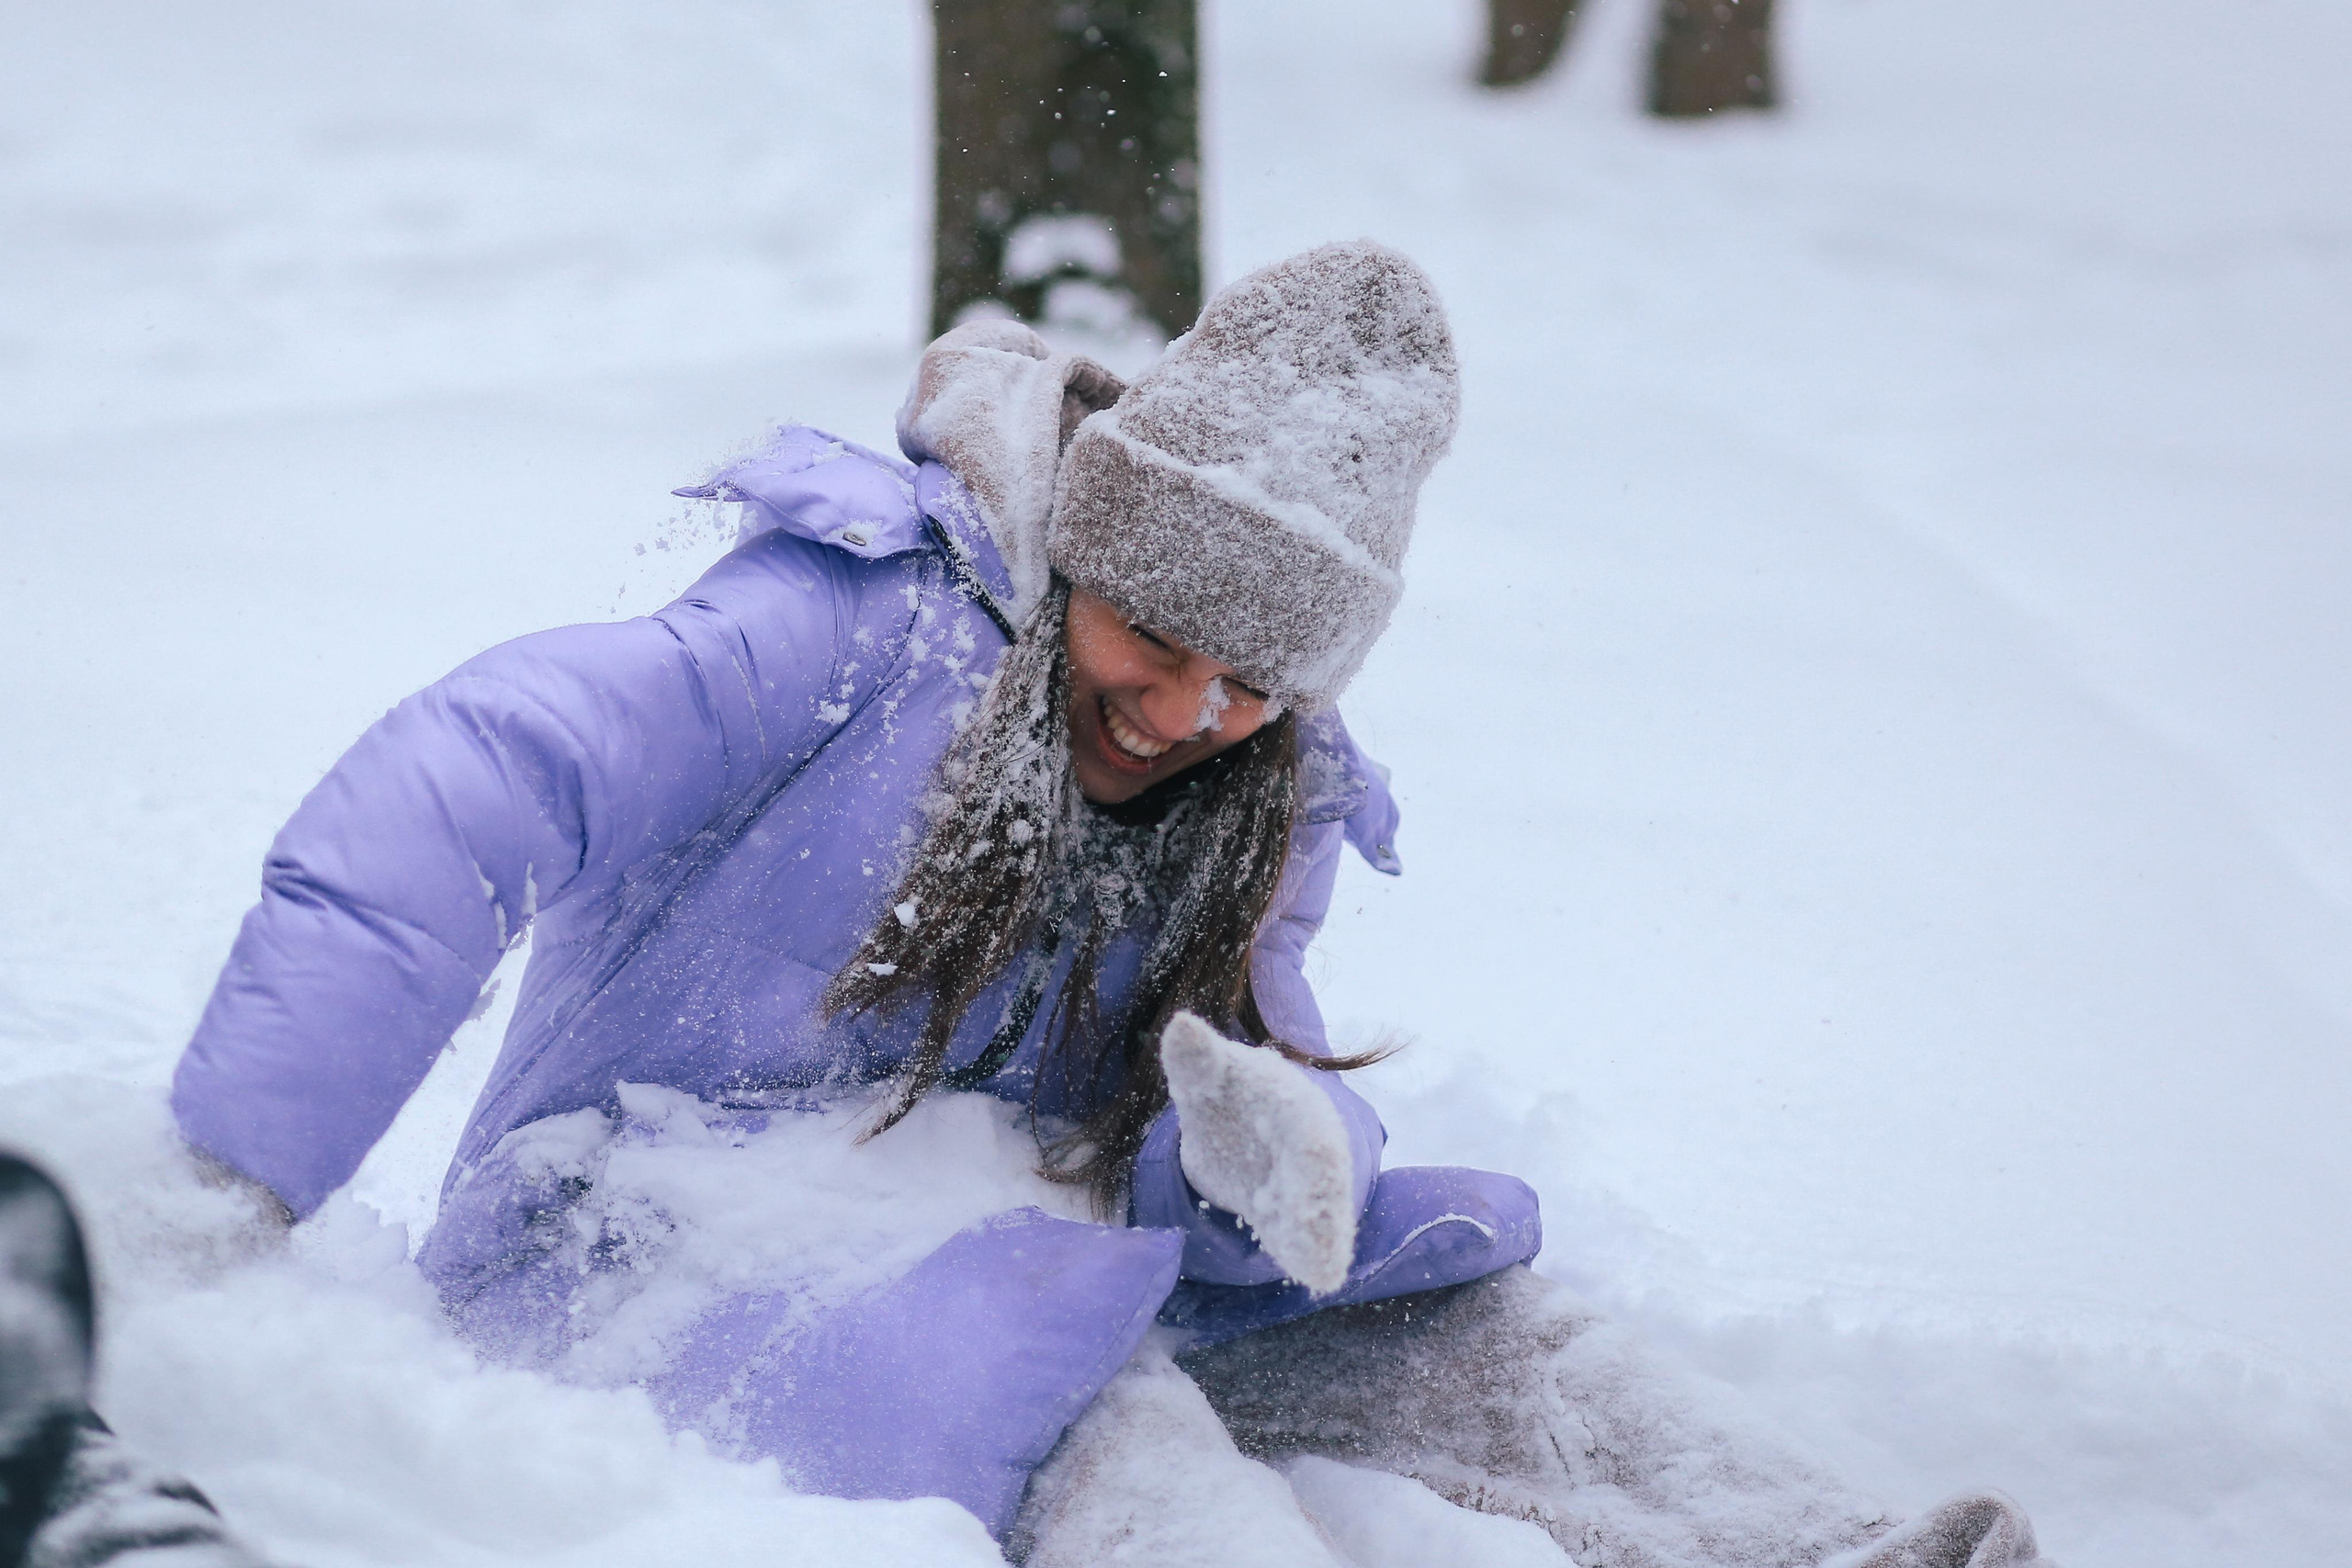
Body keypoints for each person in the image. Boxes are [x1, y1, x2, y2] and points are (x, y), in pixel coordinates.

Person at [165, 241, 2042, 1566]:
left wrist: (1270, 1141)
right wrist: (236, 1170)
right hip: (635, 1226)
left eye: (1252, 683)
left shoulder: (1259, 794)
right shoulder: (842, 628)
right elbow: (469, 776)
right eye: (1155, 638)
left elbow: (1227, 1116)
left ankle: (1837, 1548)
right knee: (1079, 1385)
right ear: (1088, 545)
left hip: (1006, 1232)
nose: (1187, 715)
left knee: (1458, 1317)